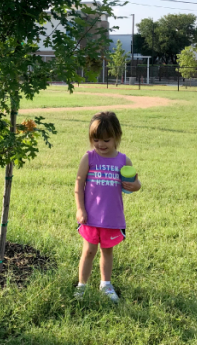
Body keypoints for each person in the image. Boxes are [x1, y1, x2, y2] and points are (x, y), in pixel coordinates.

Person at [74, 111, 142, 302]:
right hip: (90, 217)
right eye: (96, 139)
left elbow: (134, 184)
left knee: (107, 251)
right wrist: (80, 209)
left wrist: (136, 186)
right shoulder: (89, 158)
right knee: (88, 251)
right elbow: (78, 185)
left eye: (106, 140)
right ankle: (82, 286)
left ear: (116, 137)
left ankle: (106, 284)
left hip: (111, 217)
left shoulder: (123, 161)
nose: (100, 145)